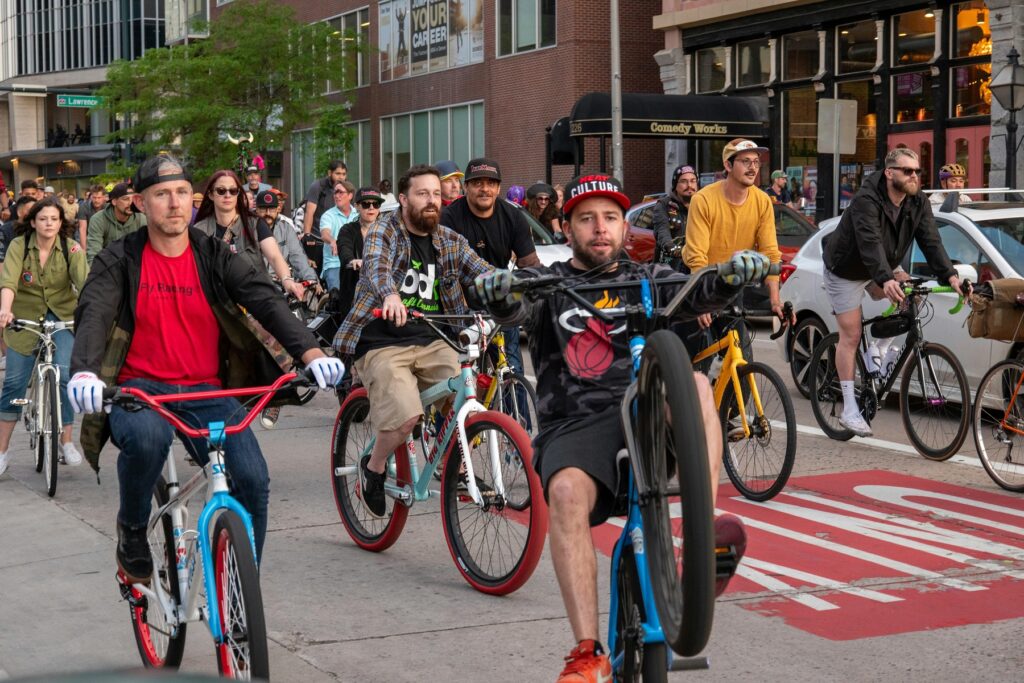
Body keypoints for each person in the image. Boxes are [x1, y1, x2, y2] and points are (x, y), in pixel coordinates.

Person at [470, 173, 753, 682]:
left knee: (691, 379)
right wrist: (499, 293)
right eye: (586, 218)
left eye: (610, 218)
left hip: (651, 414)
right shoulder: (549, 287)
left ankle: (704, 528)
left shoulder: (653, 277)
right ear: (566, 227)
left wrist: (732, 277)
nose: (600, 229)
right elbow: (514, 308)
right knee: (565, 494)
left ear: (625, 226)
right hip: (578, 426)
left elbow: (700, 291)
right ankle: (588, 652)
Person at [67, 154, 344, 583]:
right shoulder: (120, 259)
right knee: (148, 440)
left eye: (181, 193)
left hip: (207, 391)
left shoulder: (213, 253)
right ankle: (133, 529)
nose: (175, 204)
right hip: (140, 390)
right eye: (161, 195)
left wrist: (311, 354)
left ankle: (239, 587)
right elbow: (95, 311)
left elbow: (265, 300)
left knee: (252, 480)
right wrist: (84, 371)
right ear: (141, 203)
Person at [333, 164, 494, 518]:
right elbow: (376, 265)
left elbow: (482, 271)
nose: (432, 200)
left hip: (433, 339)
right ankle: (373, 468)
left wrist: (517, 287)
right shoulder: (384, 229)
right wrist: (389, 295)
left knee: (466, 395)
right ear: (404, 199)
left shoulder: (450, 241)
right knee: (406, 416)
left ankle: (447, 460)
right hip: (380, 341)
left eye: (436, 194)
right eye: (423, 194)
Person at [822, 147, 963, 437]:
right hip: (846, 269)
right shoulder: (866, 200)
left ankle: (881, 351)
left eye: (917, 172)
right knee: (851, 335)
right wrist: (885, 278)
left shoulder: (917, 201)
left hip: (882, 265)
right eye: (907, 171)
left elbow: (931, 241)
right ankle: (849, 408)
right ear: (889, 173)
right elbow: (870, 242)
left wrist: (950, 275)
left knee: (913, 293)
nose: (914, 176)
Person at [441, 158, 541, 418]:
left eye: (490, 183)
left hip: (498, 297)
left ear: (498, 188)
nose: (484, 189)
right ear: (466, 188)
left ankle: (518, 435)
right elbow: (445, 270)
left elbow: (530, 263)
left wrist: (535, 288)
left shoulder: (513, 216)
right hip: (459, 300)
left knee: (510, 367)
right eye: (477, 183)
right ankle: (446, 434)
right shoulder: (450, 217)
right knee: (454, 373)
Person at [0, 197, 88, 477]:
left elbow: (85, 284)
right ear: (33, 221)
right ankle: (2, 451)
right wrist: (4, 310)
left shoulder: (71, 248)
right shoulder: (19, 246)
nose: (49, 223)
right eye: (43, 219)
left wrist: (92, 314)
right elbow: (9, 282)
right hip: (23, 315)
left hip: (62, 315)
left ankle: (66, 442)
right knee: (13, 384)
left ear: (62, 222)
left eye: (54, 219)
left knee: (63, 376)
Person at [684, 138, 787, 326]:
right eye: (745, 161)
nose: (753, 167)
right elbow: (697, 256)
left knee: (740, 352)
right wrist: (701, 301)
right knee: (697, 353)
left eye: (756, 162)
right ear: (728, 165)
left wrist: (775, 300)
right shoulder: (703, 200)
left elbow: (770, 252)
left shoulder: (762, 201)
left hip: (732, 283)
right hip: (697, 283)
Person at [192, 169, 306, 300]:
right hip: (219, 301)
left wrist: (287, 280)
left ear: (238, 194)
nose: (227, 195)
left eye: (233, 191)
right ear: (211, 194)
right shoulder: (199, 229)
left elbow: (275, 256)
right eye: (221, 191)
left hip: (255, 297)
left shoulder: (255, 223)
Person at [337, 187, 384, 313]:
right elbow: (344, 248)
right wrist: (352, 260)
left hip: (382, 289)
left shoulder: (387, 231)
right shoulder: (347, 230)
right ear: (357, 206)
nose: (371, 208)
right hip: (354, 290)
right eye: (366, 204)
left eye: (376, 204)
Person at [86, 183, 148, 266]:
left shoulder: (141, 219)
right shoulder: (98, 219)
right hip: (108, 268)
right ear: (114, 201)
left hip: (134, 267)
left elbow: (148, 252)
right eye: (126, 199)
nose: (131, 203)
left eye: (133, 199)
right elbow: (94, 254)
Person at [651, 164, 698, 267]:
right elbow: (662, 234)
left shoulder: (703, 205)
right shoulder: (663, 205)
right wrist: (678, 251)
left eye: (693, 181)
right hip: (669, 270)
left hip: (697, 268)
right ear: (675, 185)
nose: (689, 185)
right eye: (683, 181)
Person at [319, 180, 359, 292]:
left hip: (357, 262)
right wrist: (332, 241)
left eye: (340, 192)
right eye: (335, 192)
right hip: (334, 263)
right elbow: (324, 233)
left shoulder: (358, 214)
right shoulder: (328, 215)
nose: (337, 195)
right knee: (339, 294)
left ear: (350, 195)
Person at [302, 160, 348, 235]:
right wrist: (307, 235)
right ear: (330, 173)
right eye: (338, 173)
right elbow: (309, 212)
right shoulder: (318, 186)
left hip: (340, 236)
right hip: (318, 236)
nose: (341, 177)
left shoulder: (348, 188)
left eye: (344, 174)